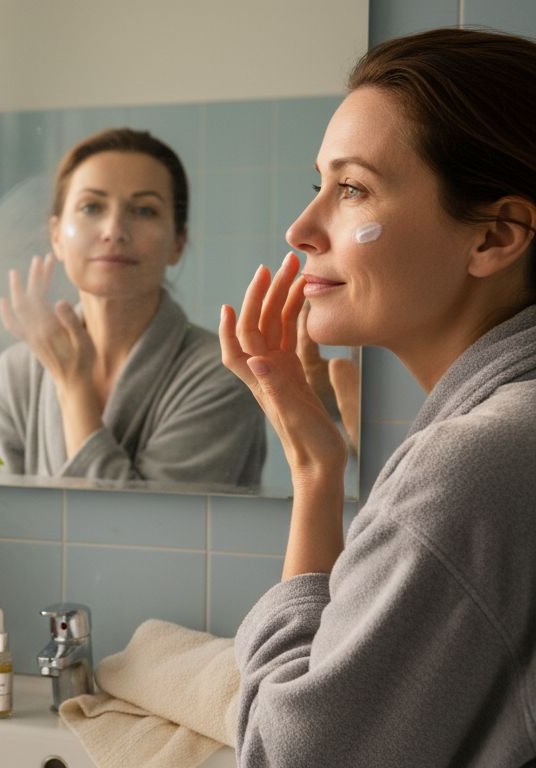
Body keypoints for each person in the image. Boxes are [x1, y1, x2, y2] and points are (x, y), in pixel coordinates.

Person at [221, 28, 536, 767]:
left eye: (353, 188)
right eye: (318, 187)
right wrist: (316, 464)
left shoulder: (476, 463)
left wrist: (313, 486)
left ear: (495, 235)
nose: (301, 230)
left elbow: (282, 756)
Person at [0, 128, 266, 486]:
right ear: (57, 237)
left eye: (144, 210)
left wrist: (73, 386)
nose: (114, 230)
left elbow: (143, 532)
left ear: (177, 242)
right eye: (91, 207)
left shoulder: (221, 374)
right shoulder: (13, 375)